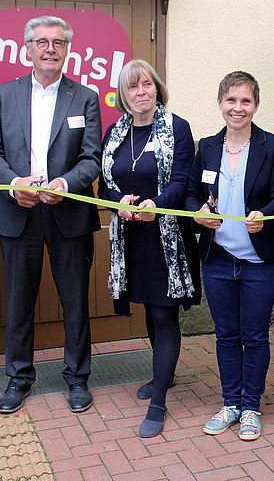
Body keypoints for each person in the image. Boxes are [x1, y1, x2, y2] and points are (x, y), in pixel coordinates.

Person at [0, 16, 102, 415]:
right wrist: (15, 184)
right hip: (20, 213)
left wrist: (64, 185)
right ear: (27, 48)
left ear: (67, 50)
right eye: (42, 42)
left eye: (58, 42)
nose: (50, 48)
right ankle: (18, 378)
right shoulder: (3, 94)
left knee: (75, 301)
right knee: (19, 301)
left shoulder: (84, 96)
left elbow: (91, 158)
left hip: (67, 213)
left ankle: (78, 378)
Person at [186, 71, 274, 441]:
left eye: (245, 101)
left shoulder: (271, 146)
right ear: (220, 103)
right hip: (218, 259)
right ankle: (230, 402)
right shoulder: (208, 147)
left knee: (256, 335)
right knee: (226, 335)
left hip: (259, 261)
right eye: (231, 100)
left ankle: (251, 407)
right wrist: (199, 211)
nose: (238, 108)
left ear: (256, 106)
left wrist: (267, 214)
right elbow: (189, 195)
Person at [99, 59, 198, 438]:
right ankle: (165, 375)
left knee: (164, 313)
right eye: (132, 87)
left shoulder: (178, 128)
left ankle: (158, 403)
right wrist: (118, 202)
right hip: (130, 237)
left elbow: (182, 179)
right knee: (146, 305)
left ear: (157, 88)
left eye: (146, 85)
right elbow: (102, 187)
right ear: (123, 95)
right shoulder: (115, 132)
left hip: (165, 236)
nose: (141, 92)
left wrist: (156, 204)